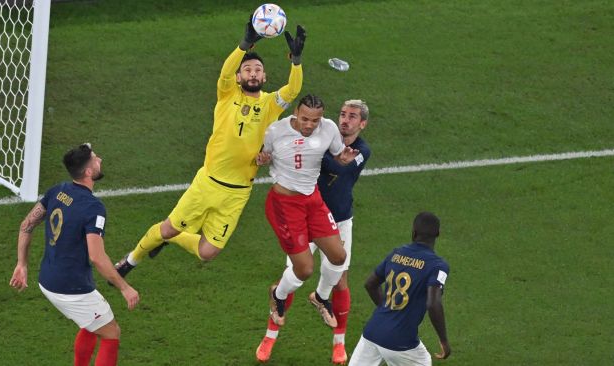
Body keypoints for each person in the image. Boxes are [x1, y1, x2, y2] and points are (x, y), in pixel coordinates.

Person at [112, 17, 306, 277]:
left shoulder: (270, 104)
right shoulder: (227, 95)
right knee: (169, 227)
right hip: (208, 183)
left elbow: (293, 90)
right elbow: (225, 72)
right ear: (239, 77)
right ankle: (132, 260)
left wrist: (296, 61)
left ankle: (172, 240)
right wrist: (244, 45)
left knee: (207, 252)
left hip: (238, 193)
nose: (252, 73)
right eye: (247, 69)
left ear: (265, 76)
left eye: (258, 69)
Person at [256, 99, 371, 364]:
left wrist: (330, 154)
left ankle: (334, 332)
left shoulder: (360, 149)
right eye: (343, 114)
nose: (345, 120)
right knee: (298, 270)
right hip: (298, 210)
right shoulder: (310, 135)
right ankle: (270, 335)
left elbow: (338, 167)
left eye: (352, 117)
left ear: (362, 124)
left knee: (340, 270)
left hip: (337, 217)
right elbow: (272, 153)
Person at [9, 143, 140, 366]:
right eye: (96, 159)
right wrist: (125, 287)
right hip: (70, 288)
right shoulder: (93, 208)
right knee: (111, 332)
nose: (100, 160)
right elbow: (97, 257)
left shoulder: (57, 191)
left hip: (47, 279)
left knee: (90, 323)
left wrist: (22, 264)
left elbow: (26, 224)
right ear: (88, 172)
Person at [348, 212, 451, 366]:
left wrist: (387, 309)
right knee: (423, 361)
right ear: (438, 234)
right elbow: (433, 303)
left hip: (373, 331)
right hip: (400, 340)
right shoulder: (437, 266)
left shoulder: (396, 254)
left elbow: (370, 284)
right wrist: (444, 340)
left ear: (414, 232)